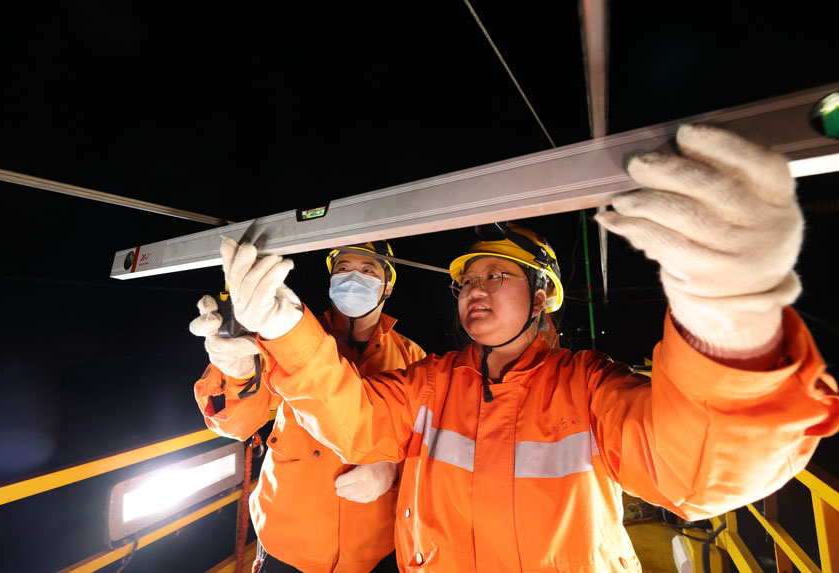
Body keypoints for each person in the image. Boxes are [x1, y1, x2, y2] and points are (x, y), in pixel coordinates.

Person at [216, 125, 839, 571]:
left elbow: (697, 471)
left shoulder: (590, 385)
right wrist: (282, 328)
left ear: (542, 298)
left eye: (496, 276)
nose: (473, 292)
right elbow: (354, 419)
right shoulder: (436, 380)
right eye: (466, 281)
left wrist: (728, 324)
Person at [190, 241, 426, 572]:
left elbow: (427, 453)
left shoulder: (412, 359)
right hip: (287, 551)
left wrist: (392, 470)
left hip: (374, 555)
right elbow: (237, 424)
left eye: (368, 270)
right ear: (331, 280)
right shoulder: (286, 335)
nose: (353, 278)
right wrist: (237, 374)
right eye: (343, 269)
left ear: (388, 285)